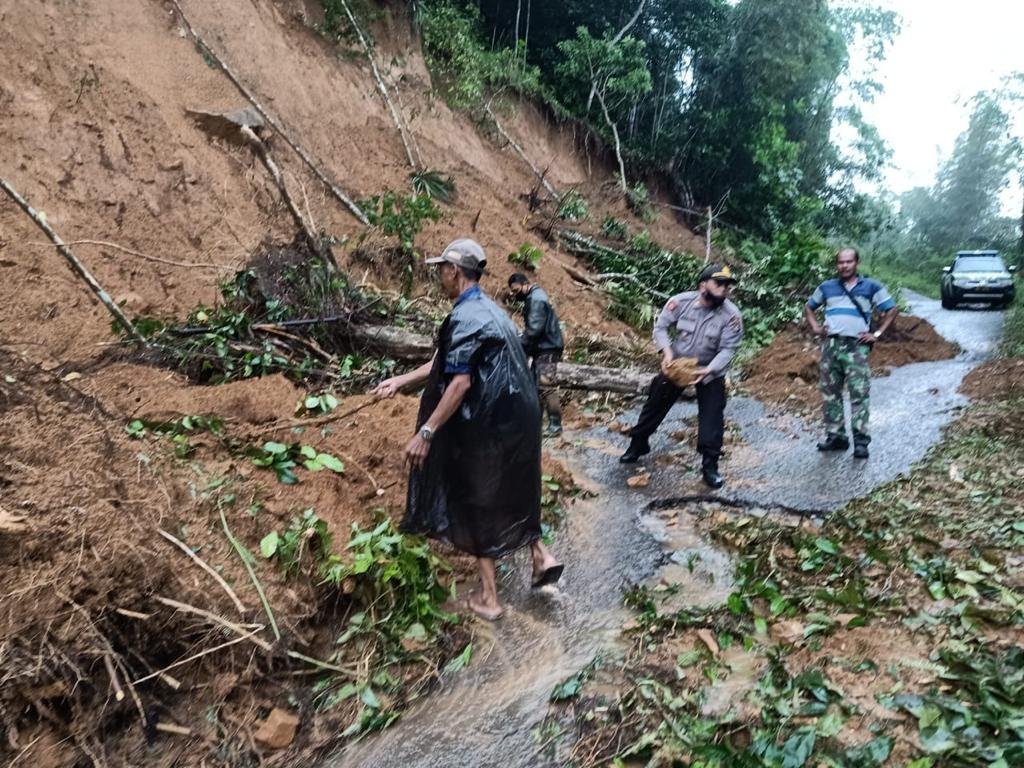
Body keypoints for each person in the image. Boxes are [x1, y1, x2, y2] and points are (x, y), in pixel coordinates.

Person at [373, 239, 563, 621]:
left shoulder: (463, 317)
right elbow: (443, 363)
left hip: (489, 419)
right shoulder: (490, 310)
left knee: (476, 495)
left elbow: (459, 384)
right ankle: (542, 557)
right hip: (521, 414)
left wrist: (426, 432)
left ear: (455, 272)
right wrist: (400, 381)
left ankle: (489, 599)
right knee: (515, 485)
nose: (438, 274)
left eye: (441, 268)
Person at [619, 264, 744, 489]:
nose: (724, 289)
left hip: (709, 371)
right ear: (703, 285)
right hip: (678, 364)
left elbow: (728, 349)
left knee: (712, 417)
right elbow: (661, 328)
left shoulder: (731, 315)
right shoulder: (681, 302)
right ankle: (638, 444)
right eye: (719, 284)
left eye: (728, 286)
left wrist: (710, 369)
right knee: (654, 403)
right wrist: (666, 352)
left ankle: (710, 465)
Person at [804, 248, 898, 459]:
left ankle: (861, 442)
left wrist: (877, 333)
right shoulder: (827, 287)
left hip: (856, 346)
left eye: (848, 262)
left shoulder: (872, 286)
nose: (844, 266)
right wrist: (817, 328)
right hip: (831, 345)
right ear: (836, 265)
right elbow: (809, 307)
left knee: (859, 394)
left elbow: (891, 309)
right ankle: (836, 437)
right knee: (830, 393)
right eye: (840, 262)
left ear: (857, 263)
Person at [507, 272, 565, 436]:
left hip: (547, 347)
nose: (514, 294)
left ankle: (555, 426)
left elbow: (534, 330)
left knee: (546, 385)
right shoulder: (535, 296)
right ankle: (536, 424)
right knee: (537, 385)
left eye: (516, 290)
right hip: (545, 346)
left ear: (525, 284)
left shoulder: (536, 299)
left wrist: (520, 346)